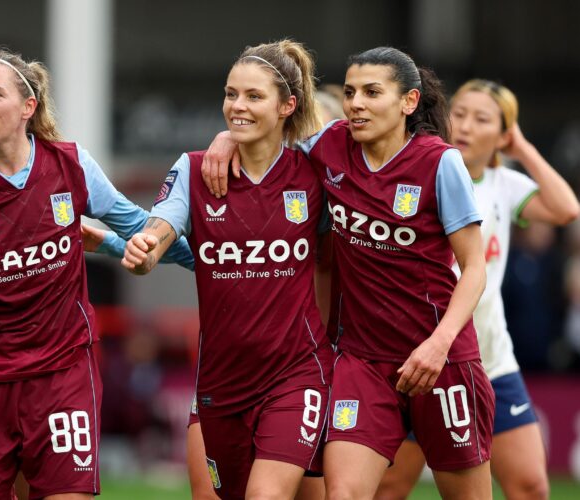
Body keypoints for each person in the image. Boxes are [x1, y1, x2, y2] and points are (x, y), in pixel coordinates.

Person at [202, 46, 495, 500]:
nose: (356, 102)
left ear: (408, 102)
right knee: (344, 494)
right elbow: (265, 135)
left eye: (373, 92)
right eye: (353, 91)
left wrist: (439, 345)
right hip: (361, 361)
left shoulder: (440, 163)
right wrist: (227, 138)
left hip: (440, 360)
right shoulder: (328, 146)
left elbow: (474, 267)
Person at [0, 48, 188, 499]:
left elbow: (139, 228)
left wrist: (214, 259)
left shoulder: (71, 165)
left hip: (63, 373)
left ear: (27, 107)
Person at [122, 39, 332, 500]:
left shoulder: (314, 170)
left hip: (297, 370)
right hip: (222, 380)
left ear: (287, 106)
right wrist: (146, 246)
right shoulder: (194, 170)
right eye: (230, 93)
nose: (237, 106)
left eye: (254, 96)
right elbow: (162, 224)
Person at [375, 79, 579, 500]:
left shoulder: (504, 184)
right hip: (419, 360)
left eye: (482, 119)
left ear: (502, 135)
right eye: (459, 113)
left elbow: (566, 208)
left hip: (491, 362)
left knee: (532, 486)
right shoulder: (418, 170)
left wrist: (519, 148)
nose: (465, 125)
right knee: (391, 487)